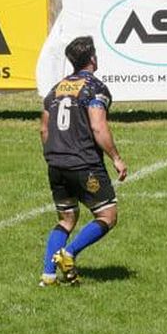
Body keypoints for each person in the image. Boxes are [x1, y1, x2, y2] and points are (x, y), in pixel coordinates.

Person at [39, 36, 127, 285]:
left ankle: (48, 275)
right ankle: (69, 253)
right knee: (107, 215)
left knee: (66, 219)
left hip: (55, 163)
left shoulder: (55, 89)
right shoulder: (95, 88)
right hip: (84, 163)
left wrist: (52, 154)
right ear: (92, 59)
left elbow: (44, 130)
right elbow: (98, 127)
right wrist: (116, 158)